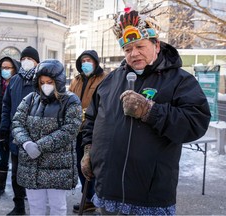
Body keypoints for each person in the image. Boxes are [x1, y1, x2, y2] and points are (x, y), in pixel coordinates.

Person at [81, 7, 211, 215]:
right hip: (108, 189)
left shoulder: (180, 81)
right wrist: (89, 150)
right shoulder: (110, 81)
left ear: (156, 45)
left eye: (140, 46)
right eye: (128, 49)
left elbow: (196, 122)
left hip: (149, 196)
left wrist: (150, 111)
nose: (134, 54)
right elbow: (91, 119)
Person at [11, 59, 82, 215]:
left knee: (58, 207)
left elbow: (70, 129)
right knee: (36, 207)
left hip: (57, 167)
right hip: (31, 164)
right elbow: (17, 123)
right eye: (42, 82)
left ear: (58, 81)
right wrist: (26, 143)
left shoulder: (70, 101)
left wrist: (40, 146)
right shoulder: (30, 99)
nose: (45, 85)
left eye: (49, 82)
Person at [0, 46, 40, 215]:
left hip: (36, 137)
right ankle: (19, 207)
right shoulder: (15, 80)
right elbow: (6, 105)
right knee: (16, 173)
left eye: (30, 58)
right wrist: (3, 128)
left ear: (37, 62)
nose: (26, 61)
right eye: (23, 58)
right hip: (16, 135)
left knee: (35, 175)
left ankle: (37, 208)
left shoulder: (42, 80)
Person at [68, 50, 107, 213]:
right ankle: (89, 197)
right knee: (81, 165)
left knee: (96, 164)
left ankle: (100, 197)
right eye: (83, 60)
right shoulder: (76, 80)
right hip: (78, 129)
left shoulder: (104, 79)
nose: (86, 63)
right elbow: (68, 99)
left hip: (95, 129)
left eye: (89, 60)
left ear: (96, 62)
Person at [0, 56, 21, 199]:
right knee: (3, 159)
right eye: (3, 67)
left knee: (19, 161)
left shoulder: (20, 84)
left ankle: (21, 191)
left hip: (17, 131)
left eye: (8, 67)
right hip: (0, 130)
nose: (5, 70)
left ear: (15, 69)